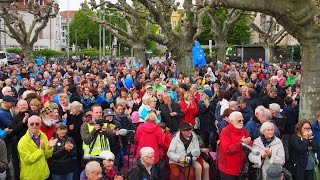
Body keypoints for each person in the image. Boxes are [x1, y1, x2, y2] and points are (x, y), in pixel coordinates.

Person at [17, 115, 58, 179]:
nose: (34, 125)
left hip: (44, 174)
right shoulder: (23, 141)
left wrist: (49, 147)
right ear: (28, 125)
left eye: (37, 123)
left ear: (40, 125)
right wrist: (41, 150)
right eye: (31, 124)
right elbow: (27, 159)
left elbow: (47, 156)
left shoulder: (43, 136)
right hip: (30, 176)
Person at [218, 111, 251, 179]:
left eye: (242, 120)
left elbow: (249, 142)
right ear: (232, 121)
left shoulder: (244, 130)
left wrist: (248, 143)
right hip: (228, 169)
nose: (242, 122)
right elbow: (227, 149)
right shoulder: (225, 132)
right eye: (239, 121)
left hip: (241, 167)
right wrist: (241, 143)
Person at [135, 112, 166, 179]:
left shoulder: (140, 127)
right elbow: (160, 142)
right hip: (153, 154)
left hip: (142, 153)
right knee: (152, 173)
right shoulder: (158, 129)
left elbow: (136, 139)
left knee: (140, 173)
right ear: (155, 119)